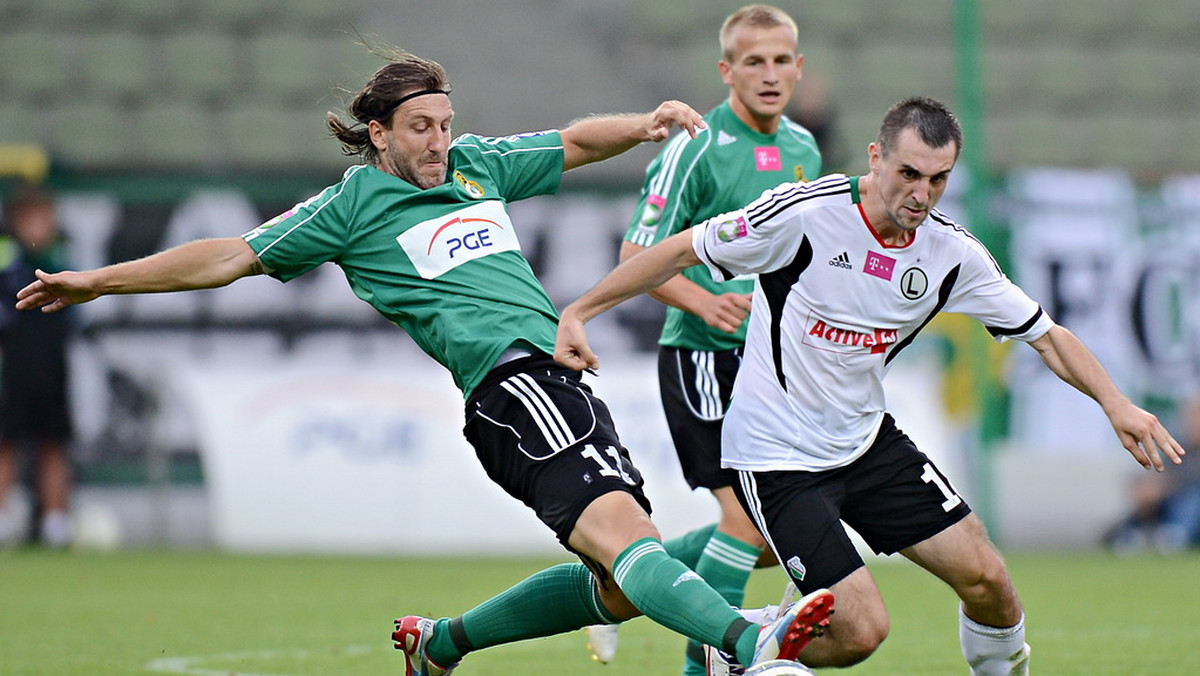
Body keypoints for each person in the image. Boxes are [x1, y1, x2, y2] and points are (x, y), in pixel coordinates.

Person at [15, 48, 834, 674]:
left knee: (620, 585)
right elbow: (228, 255)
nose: (440, 142)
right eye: (421, 129)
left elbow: (572, 143)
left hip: (558, 384)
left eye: (445, 124)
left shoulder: (475, 164)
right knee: (631, 542)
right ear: (380, 134)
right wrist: (99, 281)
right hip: (515, 385)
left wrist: (645, 125)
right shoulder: (353, 203)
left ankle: (440, 644)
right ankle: (748, 639)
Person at [554, 97, 1187, 674]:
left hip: (867, 444)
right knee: (860, 632)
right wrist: (580, 311)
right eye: (909, 173)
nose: (922, 193)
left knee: (990, 582)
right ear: (876, 157)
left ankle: (754, 640)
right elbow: (680, 251)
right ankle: (735, 647)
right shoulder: (802, 215)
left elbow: (1045, 335)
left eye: (938, 179)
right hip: (777, 458)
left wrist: (1116, 404)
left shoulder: (951, 254)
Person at [587, 5, 823, 673]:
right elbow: (637, 249)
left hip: (768, 365)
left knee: (767, 539)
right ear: (727, 71)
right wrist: (699, 298)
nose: (770, 74)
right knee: (748, 525)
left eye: (781, 60)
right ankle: (709, 664)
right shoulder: (695, 145)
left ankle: (622, 578)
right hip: (702, 358)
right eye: (754, 61)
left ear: (798, 68)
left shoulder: (803, 149)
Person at [0, 187, 75, 548]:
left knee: (53, 443)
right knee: (6, 443)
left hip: (52, 370)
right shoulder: (7, 264)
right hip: (11, 371)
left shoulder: (63, 262)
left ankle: (56, 522)